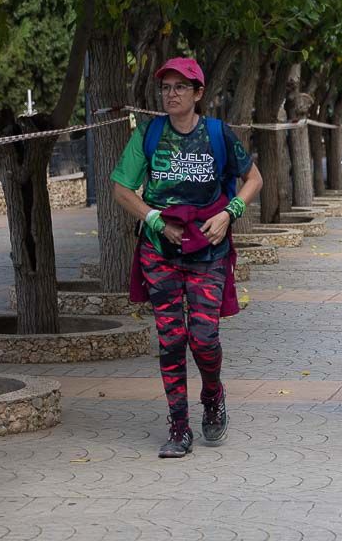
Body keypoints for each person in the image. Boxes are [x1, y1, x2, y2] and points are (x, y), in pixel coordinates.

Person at [111, 57, 263, 459]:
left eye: (181, 87)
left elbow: (254, 179)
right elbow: (120, 188)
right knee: (171, 339)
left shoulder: (217, 133)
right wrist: (154, 218)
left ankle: (212, 393)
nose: (171, 94)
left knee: (204, 337)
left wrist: (230, 214)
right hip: (159, 251)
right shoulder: (149, 133)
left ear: (198, 94)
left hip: (208, 249)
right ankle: (179, 426)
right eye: (166, 87)